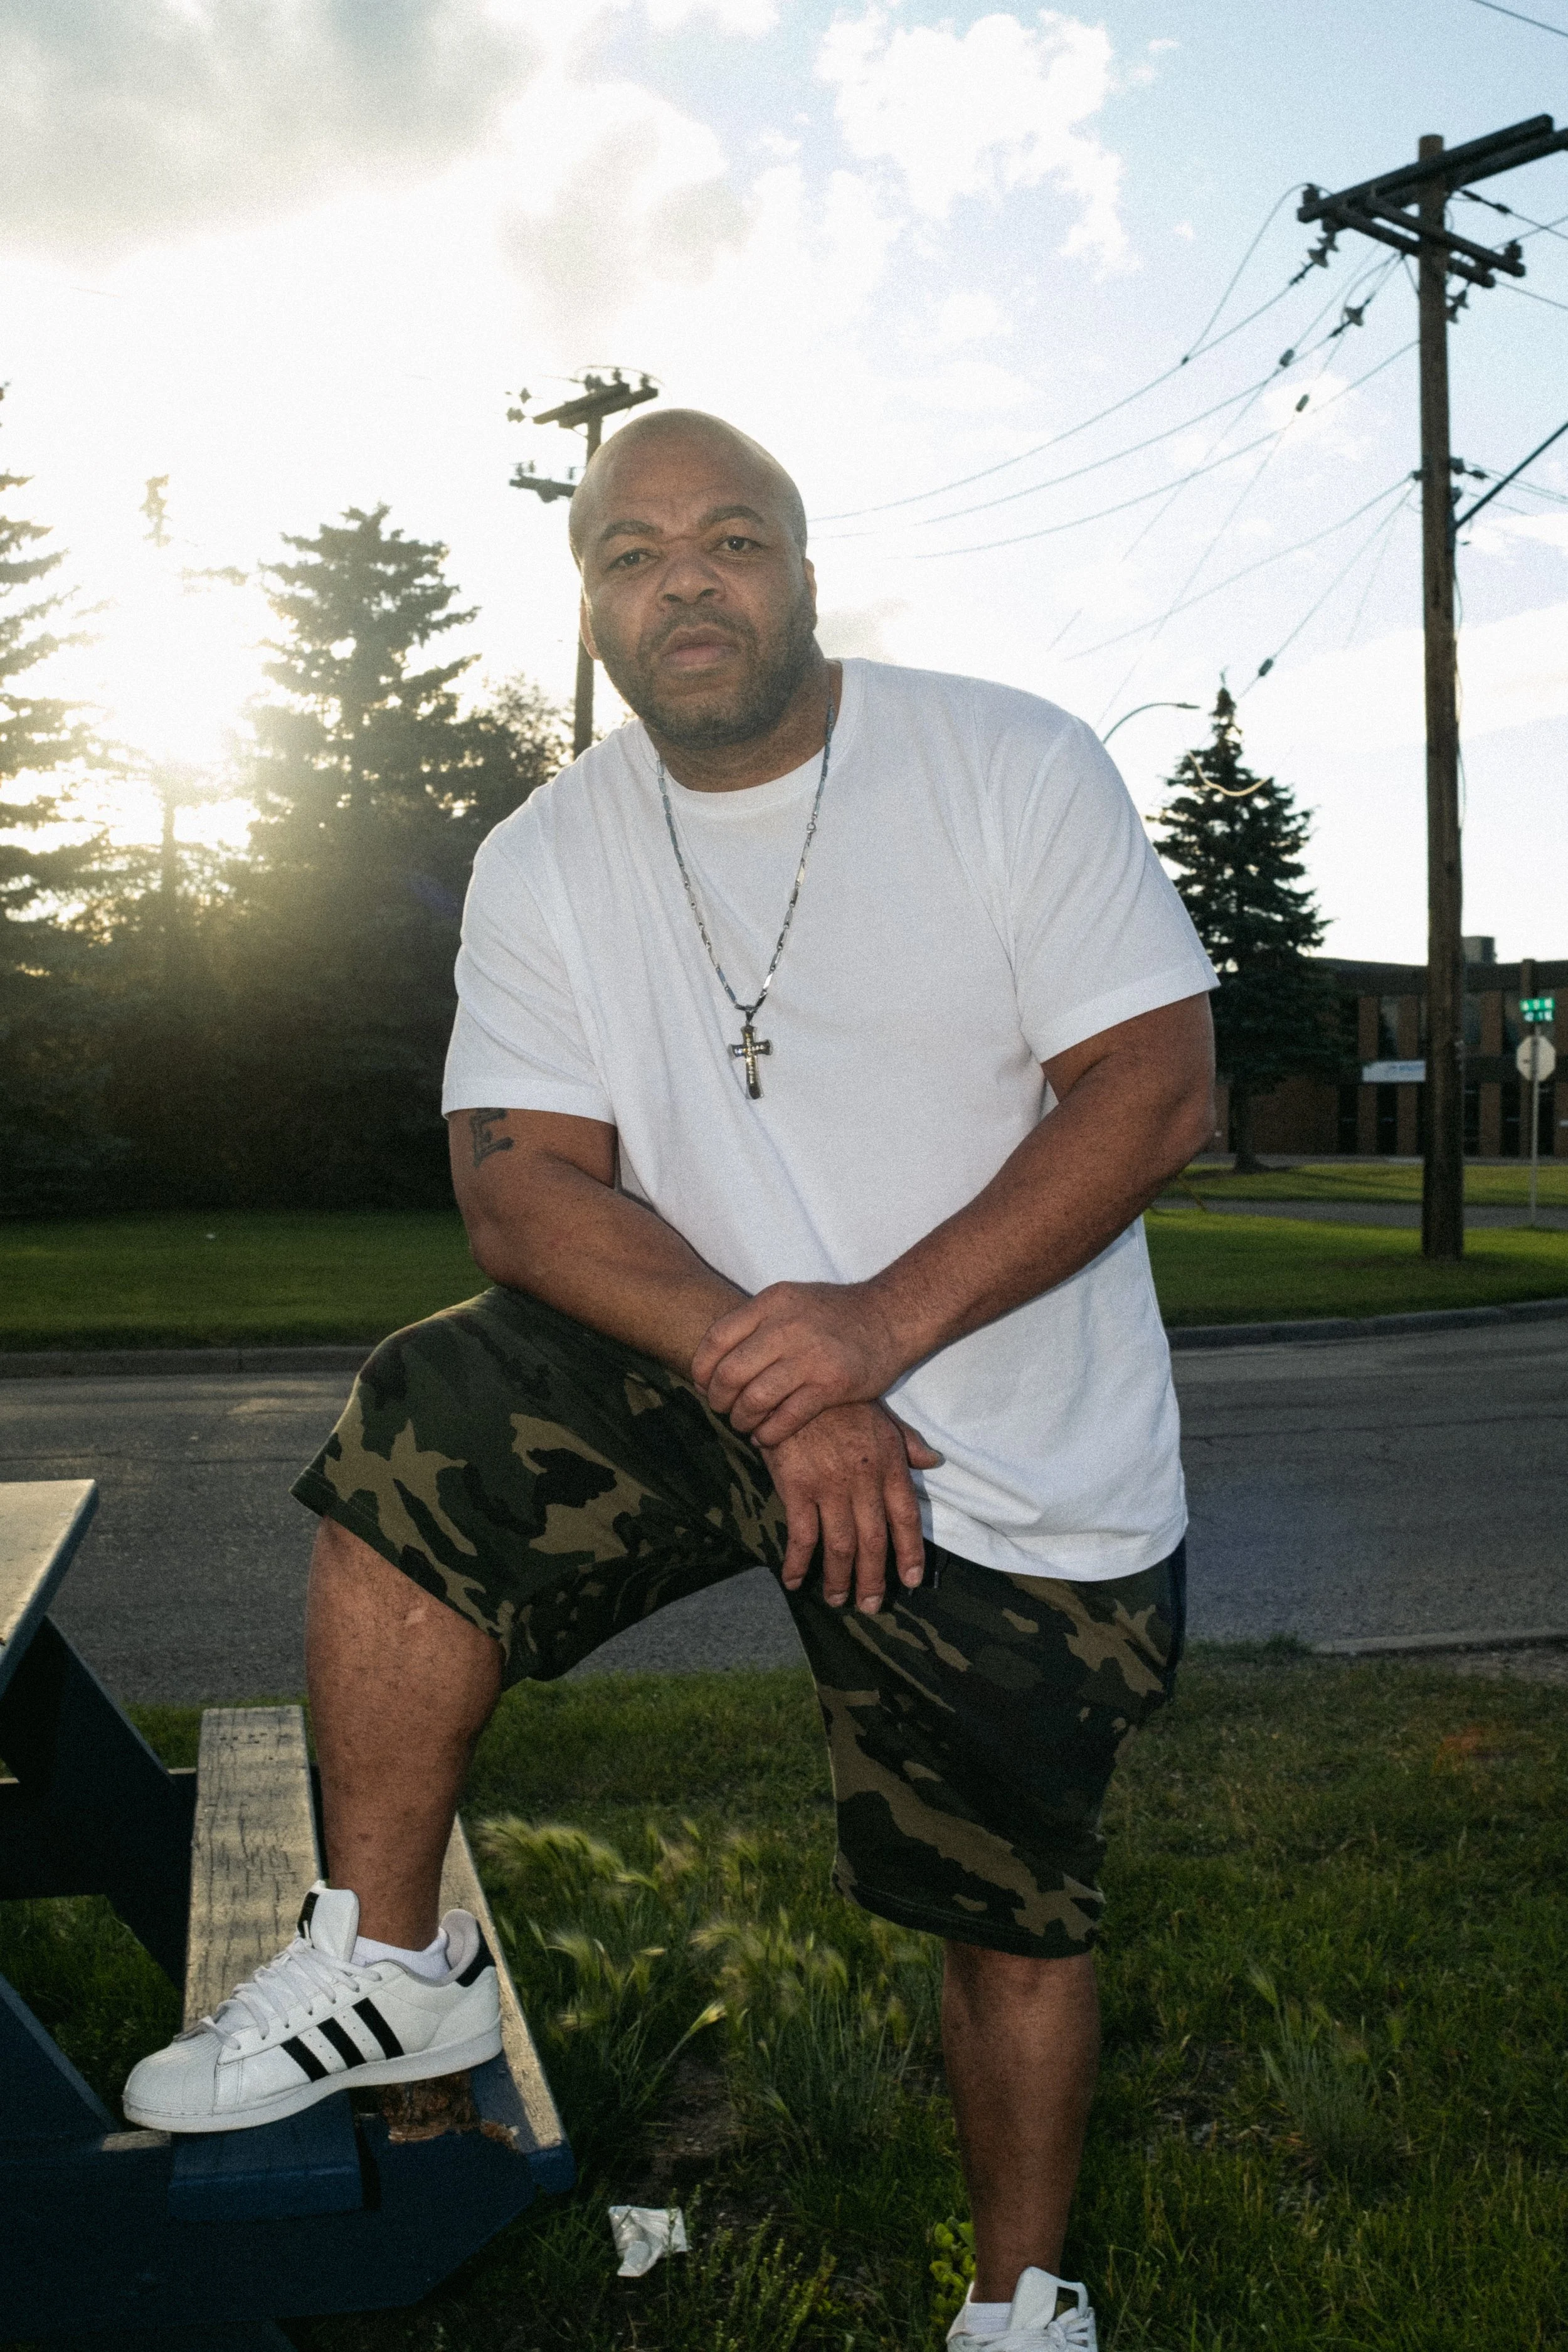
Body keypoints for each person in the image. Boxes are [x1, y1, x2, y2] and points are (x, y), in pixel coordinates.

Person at [125, 409, 1216, 2352]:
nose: (681, 580)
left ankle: (1019, 2304)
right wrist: (795, 1375)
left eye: (729, 540)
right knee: (430, 1418)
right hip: (745, 1390)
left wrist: (874, 1329)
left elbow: (1155, 1089)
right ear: (592, 603)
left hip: (1016, 1466)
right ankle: (390, 1958)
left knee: (1008, 1912)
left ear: (802, 570)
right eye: (631, 553)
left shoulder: (1001, 762)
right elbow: (520, 1185)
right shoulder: (550, 850)